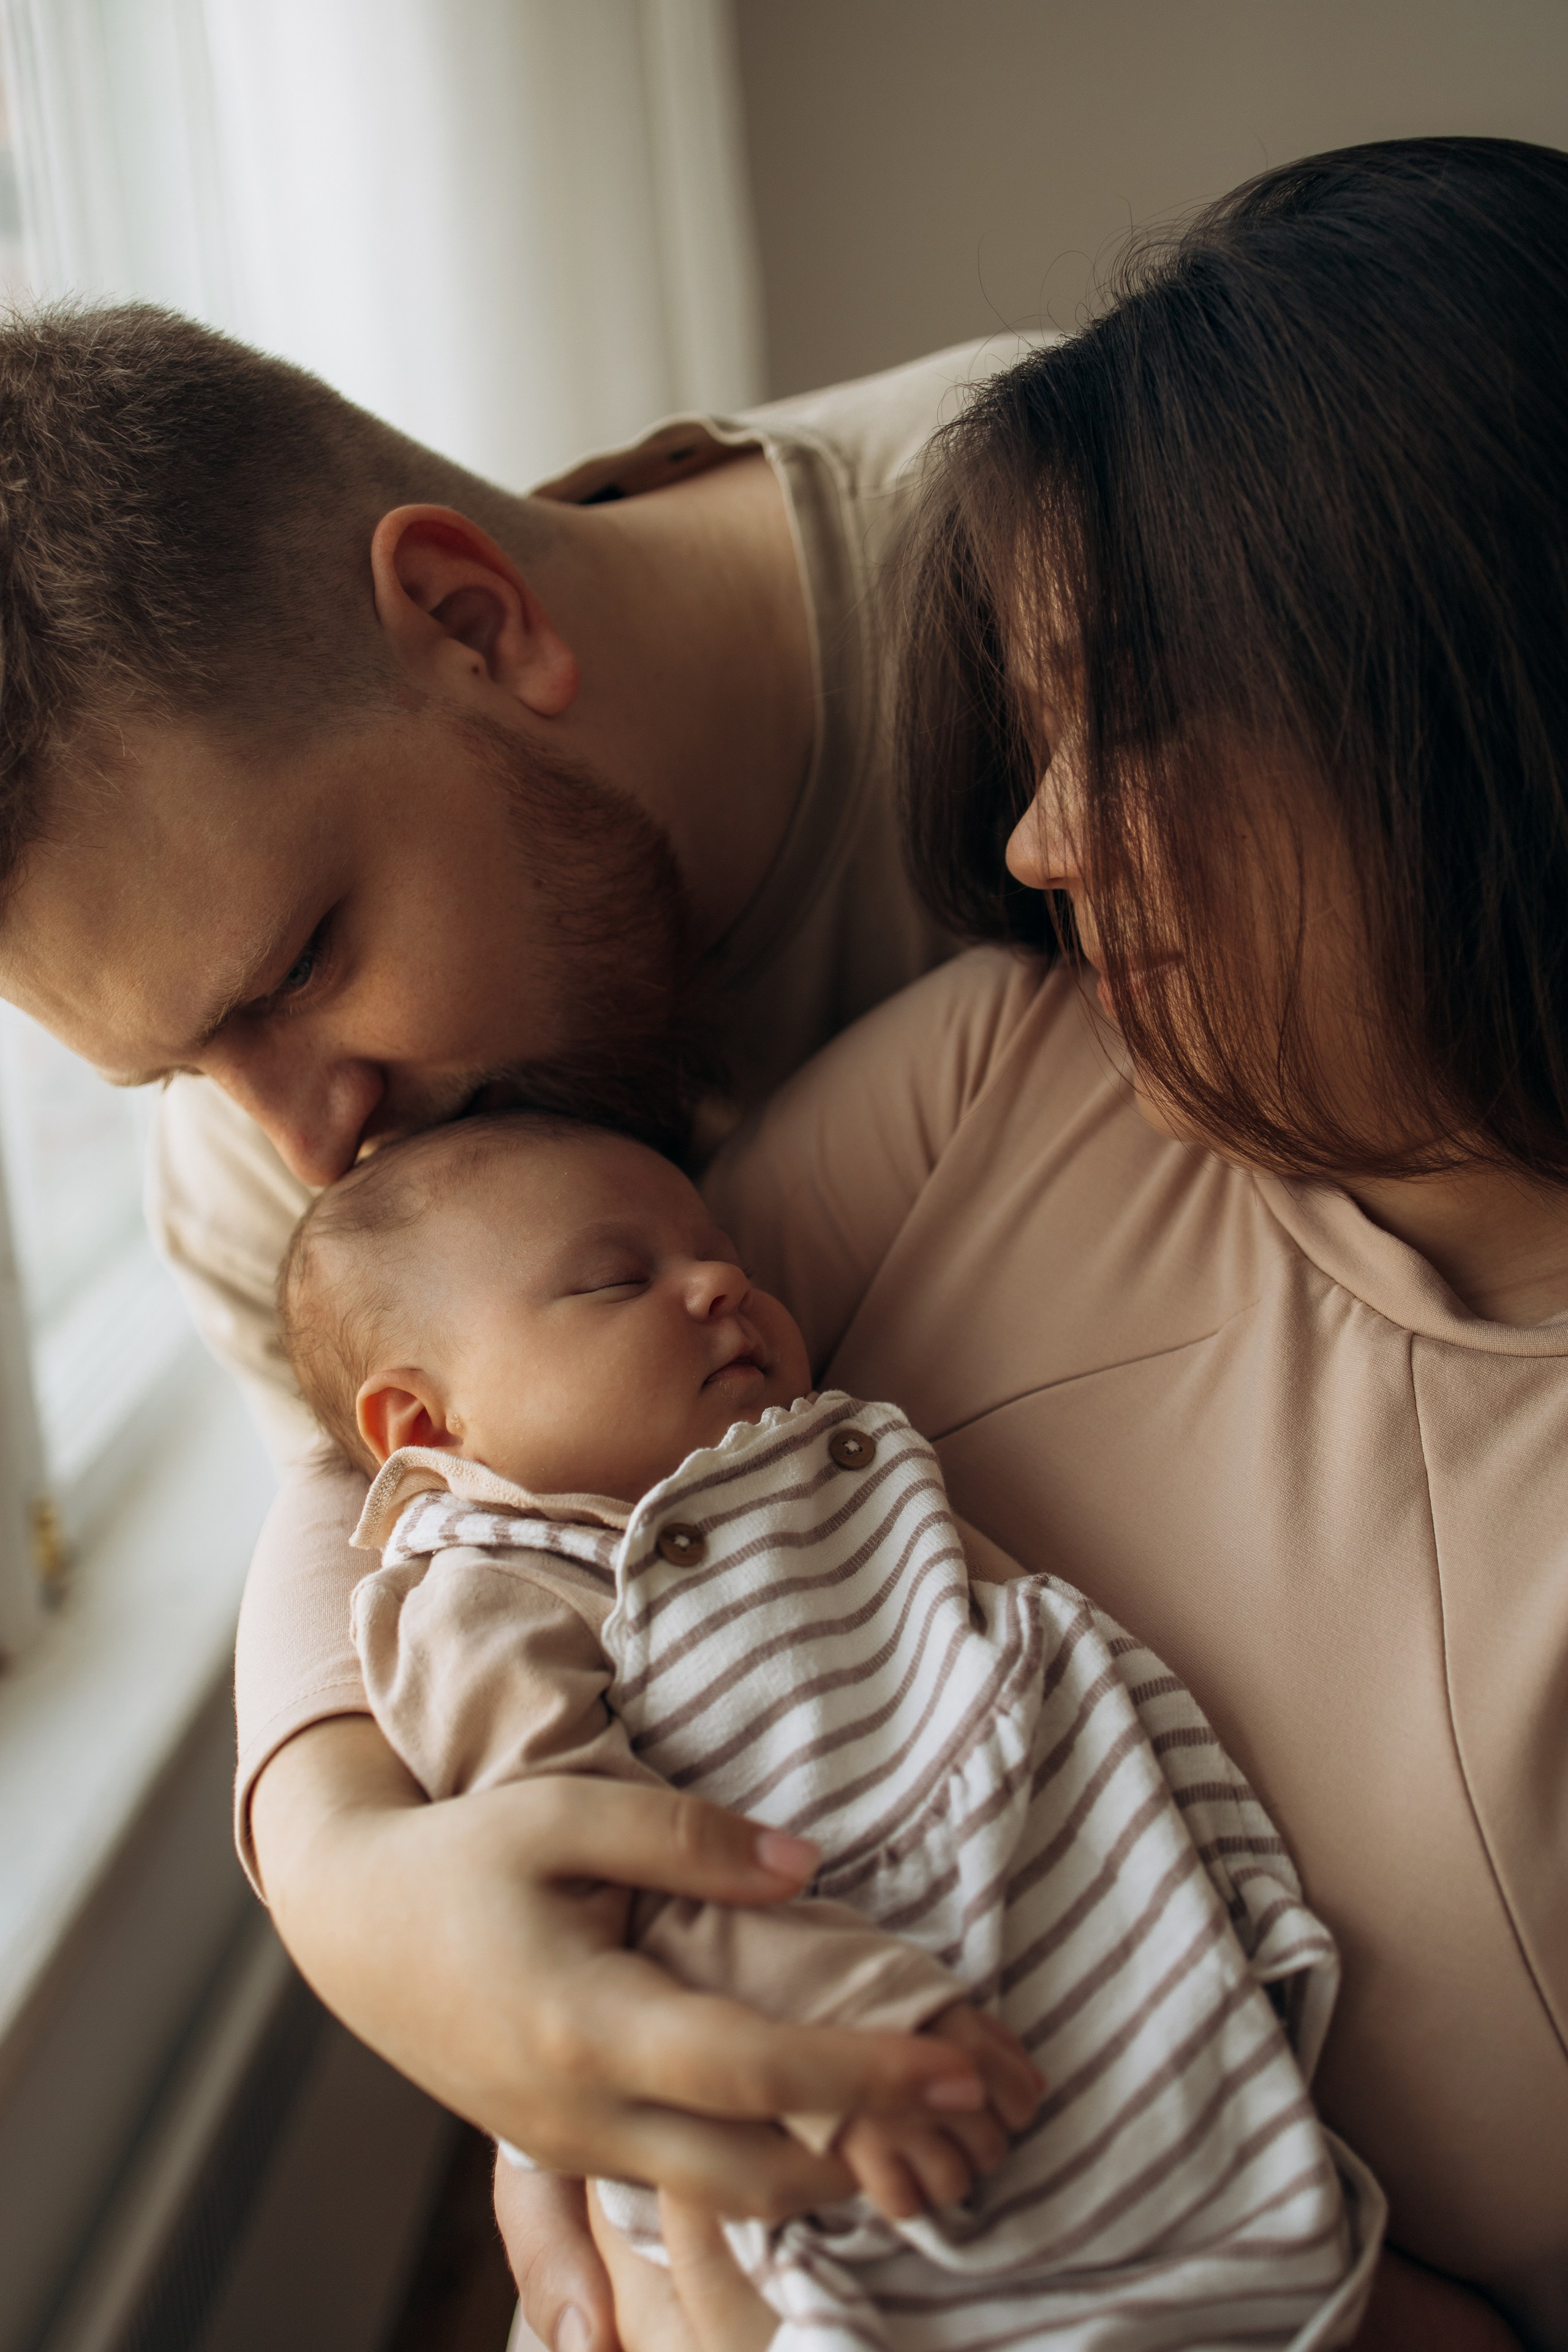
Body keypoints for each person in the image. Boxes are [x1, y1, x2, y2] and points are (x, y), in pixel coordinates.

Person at [0, 136, 1551, 2352]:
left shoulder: (1070, 548)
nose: (289, 1127)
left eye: (297, 967)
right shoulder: (299, 1141)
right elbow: (406, 1532)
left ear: (471, 615)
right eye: (178, 1066)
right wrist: (364, 1891)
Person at [278, 1108, 1379, 2350]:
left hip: (1096, 1966)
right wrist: (848, 2020)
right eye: (613, 1280)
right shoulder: (490, 1598)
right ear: (426, 1429)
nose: (717, 1282)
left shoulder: (808, 1469)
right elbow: (598, 1866)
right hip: (845, 2066)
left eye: (718, 1253)